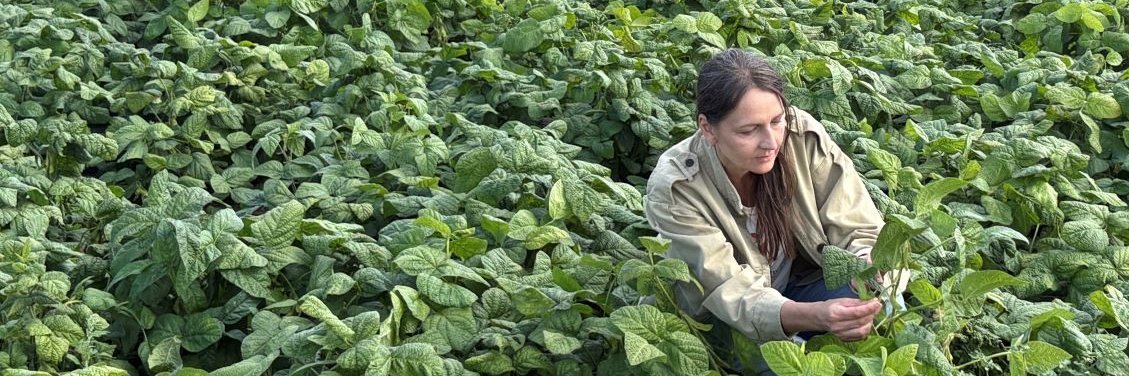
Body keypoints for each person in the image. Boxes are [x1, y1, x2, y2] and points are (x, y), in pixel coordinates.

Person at [643, 49, 908, 370]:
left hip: (798, 285)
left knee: (880, 306)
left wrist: (868, 265)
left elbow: (859, 226)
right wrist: (816, 317)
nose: (771, 142)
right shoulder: (677, 185)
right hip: (723, 321)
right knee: (787, 365)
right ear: (708, 128)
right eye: (748, 130)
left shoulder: (801, 136)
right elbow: (729, 292)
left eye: (777, 120)